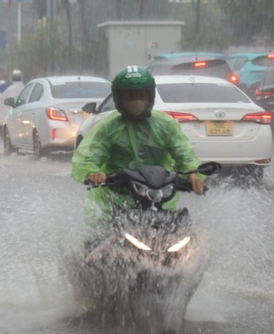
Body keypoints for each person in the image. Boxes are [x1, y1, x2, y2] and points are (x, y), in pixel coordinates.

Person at [72, 65, 205, 223]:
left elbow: (184, 153)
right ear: (119, 98)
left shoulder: (165, 125)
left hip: (158, 199)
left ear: (150, 96)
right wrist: (93, 173)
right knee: (97, 243)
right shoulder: (108, 128)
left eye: (141, 95)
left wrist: (193, 173)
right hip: (116, 202)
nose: (137, 101)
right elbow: (89, 157)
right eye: (131, 96)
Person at [0, 69, 24, 135]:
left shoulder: (10, 89)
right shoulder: (25, 88)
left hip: (13, 111)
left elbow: (1, 98)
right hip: (23, 111)